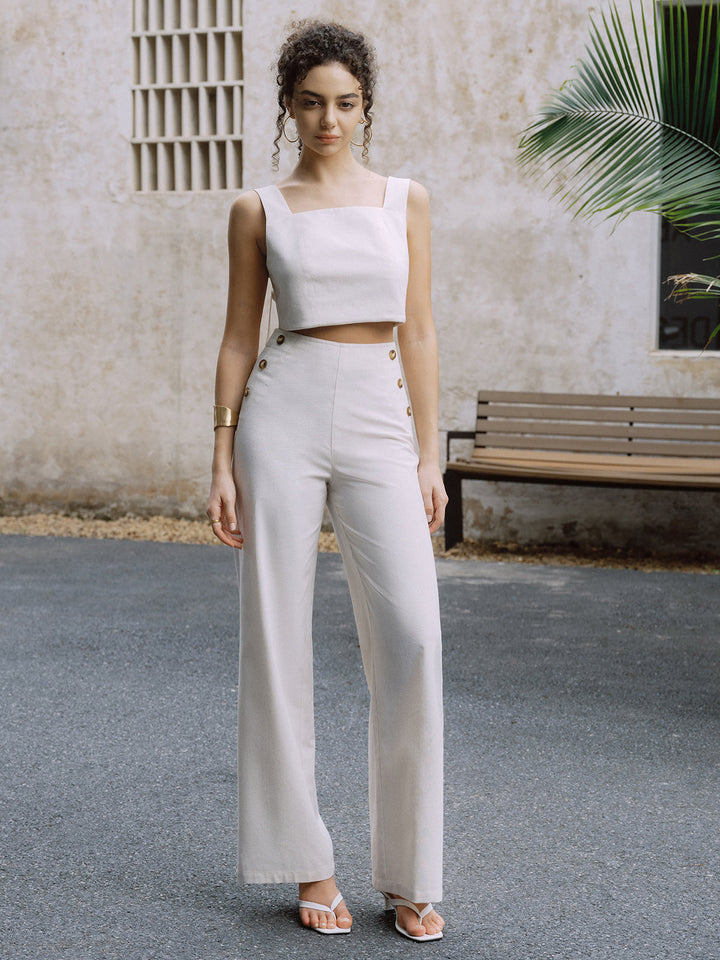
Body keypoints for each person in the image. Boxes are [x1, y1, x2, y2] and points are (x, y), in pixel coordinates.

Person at [206, 19, 447, 943]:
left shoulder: (406, 201)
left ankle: (413, 871)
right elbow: (237, 334)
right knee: (276, 635)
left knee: (414, 638)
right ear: (288, 107)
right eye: (310, 103)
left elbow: (419, 330)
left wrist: (430, 455)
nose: (328, 119)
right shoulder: (257, 208)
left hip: (383, 413)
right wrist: (222, 454)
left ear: (366, 105)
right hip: (285, 409)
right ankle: (306, 860)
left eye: (344, 103)